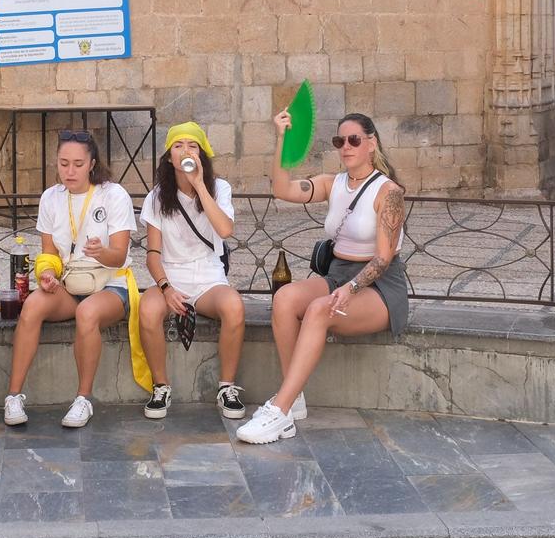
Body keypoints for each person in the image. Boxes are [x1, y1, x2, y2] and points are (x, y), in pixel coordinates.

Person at [239, 112, 407, 445]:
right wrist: (282, 139)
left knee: (318, 310)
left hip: (379, 286)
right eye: (339, 141)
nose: (346, 147)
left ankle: (280, 411)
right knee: (285, 298)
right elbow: (282, 189)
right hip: (337, 273)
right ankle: (294, 397)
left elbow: (384, 258)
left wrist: (351, 288)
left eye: (354, 140)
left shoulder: (389, 193)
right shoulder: (334, 182)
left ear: (371, 144)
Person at [3, 129, 137, 429]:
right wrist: (47, 275)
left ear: (92, 163)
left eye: (78, 163)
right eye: (64, 163)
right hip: (70, 282)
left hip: (109, 282)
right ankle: (13, 395)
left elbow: (118, 255)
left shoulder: (113, 195)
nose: (70, 171)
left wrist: (101, 252)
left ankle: (83, 399)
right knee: (33, 305)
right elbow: (49, 253)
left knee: (87, 313)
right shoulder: (51, 198)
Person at [137, 122, 246, 421]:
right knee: (147, 310)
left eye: (192, 146)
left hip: (209, 275)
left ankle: (227, 387)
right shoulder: (157, 198)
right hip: (172, 276)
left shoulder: (219, 188)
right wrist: (165, 288)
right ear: (169, 157)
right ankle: (161, 386)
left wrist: (199, 185)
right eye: (178, 146)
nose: (185, 151)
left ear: (202, 155)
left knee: (234, 305)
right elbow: (153, 255)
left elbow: (225, 230)